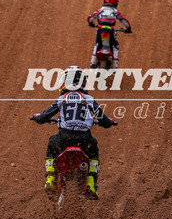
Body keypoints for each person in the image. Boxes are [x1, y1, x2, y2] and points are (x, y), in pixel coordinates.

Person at [30, 66, 116, 199]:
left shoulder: (62, 98)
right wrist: (109, 122)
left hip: (64, 138)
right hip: (84, 139)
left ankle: (51, 178)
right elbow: (103, 120)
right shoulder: (89, 98)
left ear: (64, 81)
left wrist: (38, 117)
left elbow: (45, 115)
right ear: (83, 82)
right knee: (93, 150)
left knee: (52, 144)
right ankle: (91, 183)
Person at [87, 0, 132, 69]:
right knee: (115, 46)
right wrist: (128, 28)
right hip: (110, 30)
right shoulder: (115, 11)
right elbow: (123, 20)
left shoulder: (101, 9)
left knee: (97, 44)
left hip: (100, 29)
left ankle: (93, 62)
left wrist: (91, 23)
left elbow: (90, 18)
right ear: (115, 1)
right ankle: (115, 65)